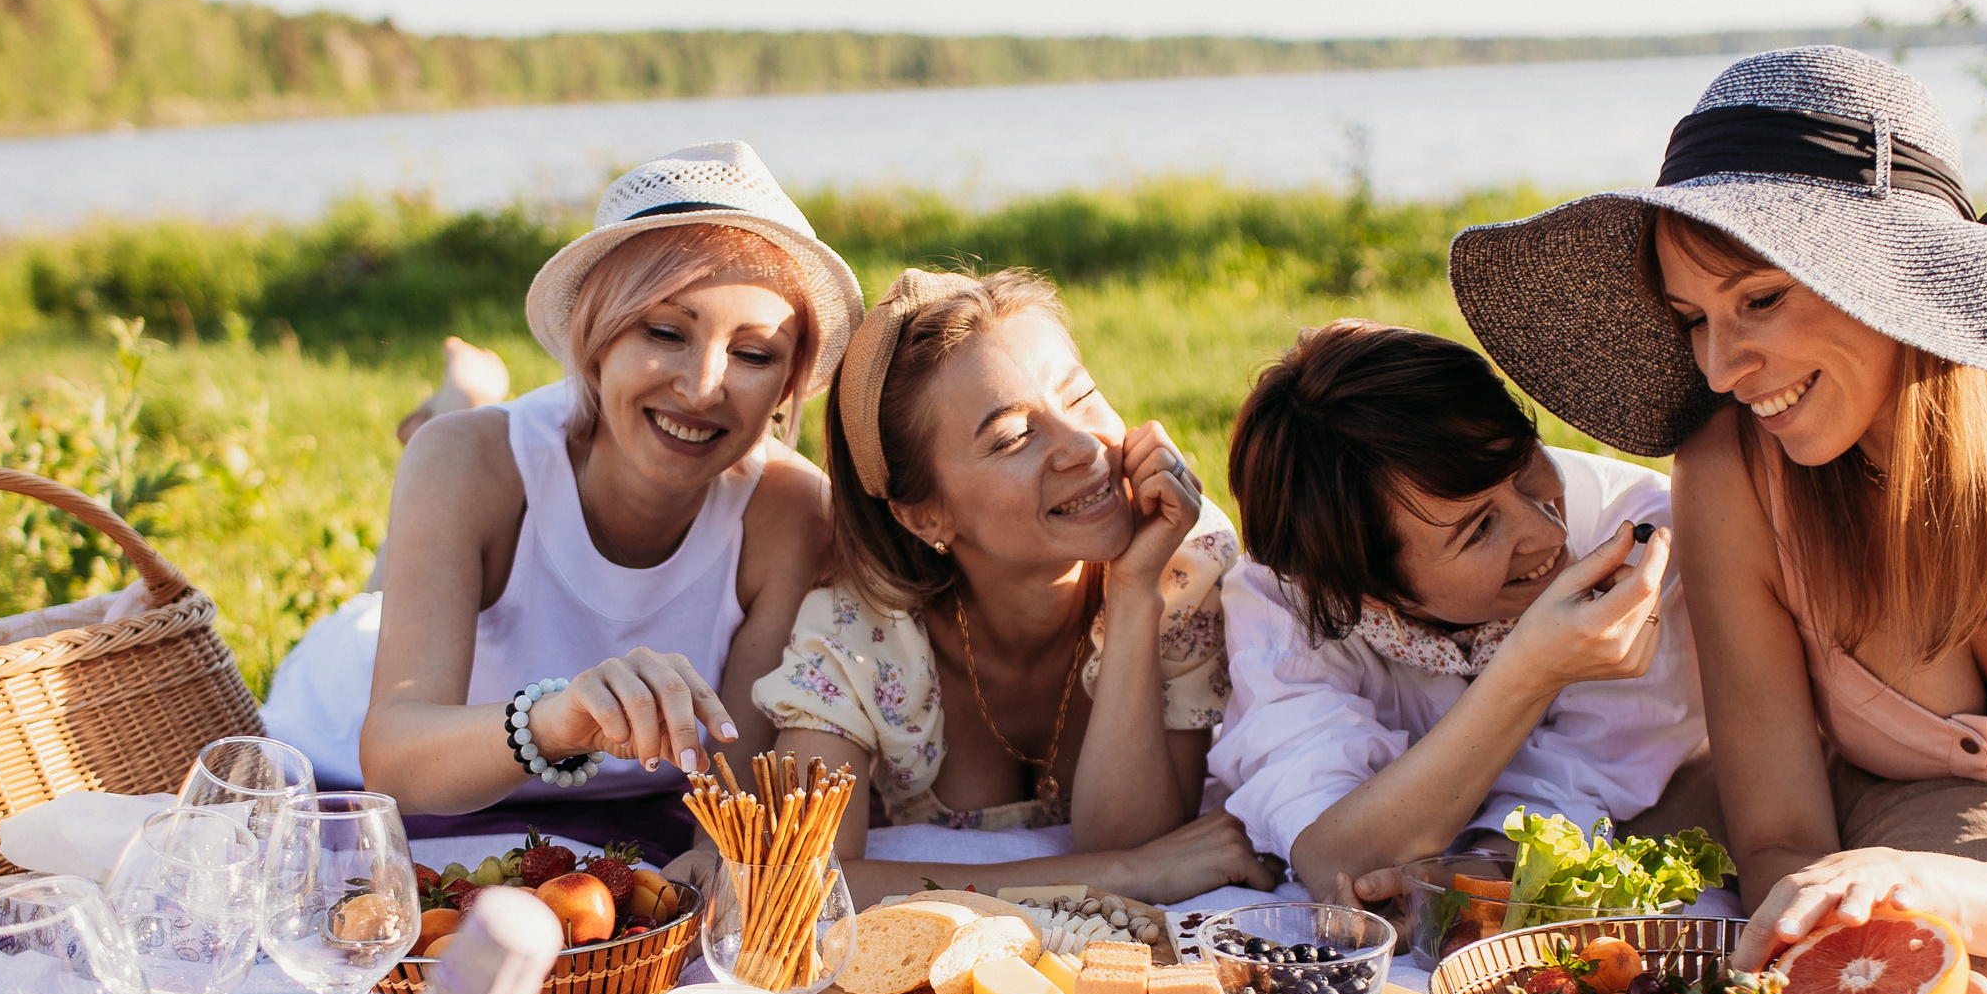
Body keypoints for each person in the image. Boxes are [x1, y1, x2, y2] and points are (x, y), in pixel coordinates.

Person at [1448, 45, 1987, 994]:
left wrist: (1928, 887)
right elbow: (1779, 841)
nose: (1718, 370)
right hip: (1892, 830)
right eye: (1690, 320)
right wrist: (1874, 890)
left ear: (1900, 276)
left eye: (1759, 300)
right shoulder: (1730, 473)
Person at [261, 141, 859, 864]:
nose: (704, 387)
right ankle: (466, 398)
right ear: (595, 337)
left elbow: (724, 815)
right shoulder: (468, 465)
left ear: (787, 383)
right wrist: (556, 720)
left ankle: (473, 395)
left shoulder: (794, 513)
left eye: (754, 354)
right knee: (427, 506)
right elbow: (397, 766)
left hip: (622, 808)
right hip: (384, 756)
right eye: (665, 332)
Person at [753, 267, 1278, 905]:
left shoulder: (1181, 561)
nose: (1084, 446)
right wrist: (1105, 880)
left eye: (1080, 396)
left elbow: (1136, 837)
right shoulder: (856, 630)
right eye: (1014, 438)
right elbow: (792, 886)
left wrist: (1135, 593)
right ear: (925, 515)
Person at [1209, 320, 1703, 921]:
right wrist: (1528, 672)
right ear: (1371, 590)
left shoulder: (1646, 538)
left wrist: (1473, 869)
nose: (1547, 531)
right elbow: (1336, 859)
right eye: (1479, 530)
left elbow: (1583, 783)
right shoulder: (1293, 595)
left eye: (1525, 468)